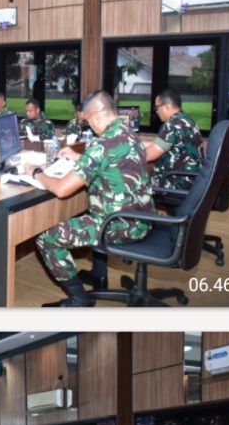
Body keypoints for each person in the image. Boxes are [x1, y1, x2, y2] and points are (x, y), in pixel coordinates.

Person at [29, 89, 155, 307]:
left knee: (47, 238)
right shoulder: (129, 133)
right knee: (88, 211)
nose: (89, 126)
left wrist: (36, 173)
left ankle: (79, 299)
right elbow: (109, 161)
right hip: (144, 218)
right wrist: (77, 156)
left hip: (119, 224)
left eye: (87, 121)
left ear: (96, 115)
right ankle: (99, 275)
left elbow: (61, 189)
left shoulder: (102, 144)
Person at [144, 88, 204, 190]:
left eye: (157, 107)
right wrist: (135, 142)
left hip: (173, 183)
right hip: (191, 181)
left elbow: (148, 155)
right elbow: (162, 144)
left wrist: (123, 152)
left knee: (133, 182)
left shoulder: (171, 125)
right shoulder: (186, 120)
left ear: (166, 107)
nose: (157, 112)